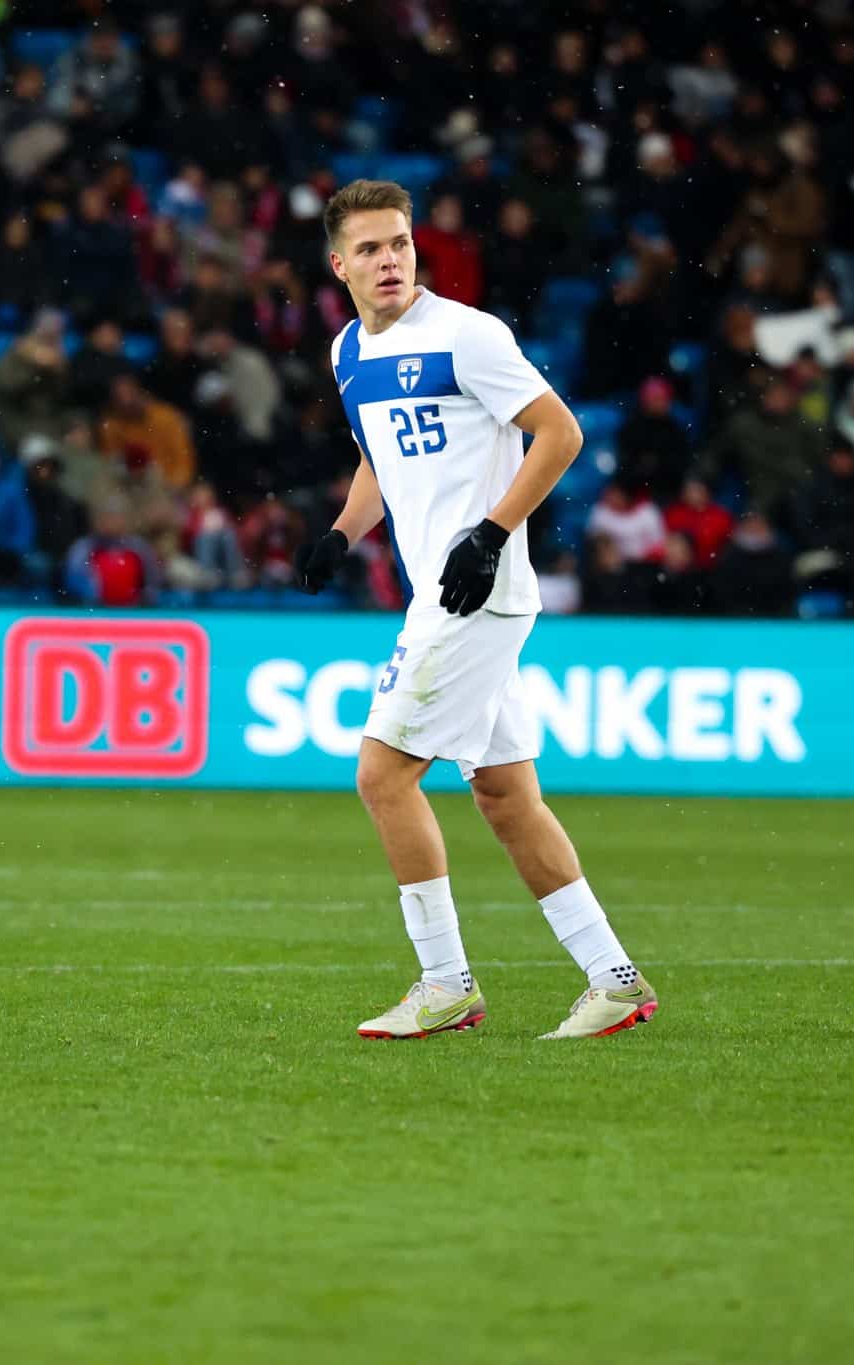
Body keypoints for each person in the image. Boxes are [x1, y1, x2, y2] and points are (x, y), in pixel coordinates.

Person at [291, 180, 656, 1043]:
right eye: (371, 249)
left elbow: (560, 433)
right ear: (338, 264)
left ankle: (444, 982)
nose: (390, 260)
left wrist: (491, 533)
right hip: (444, 592)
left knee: (381, 775)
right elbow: (382, 457)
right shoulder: (348, 351)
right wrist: (342, 535)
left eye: (401, 244)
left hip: (474, 594)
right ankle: (615, 979)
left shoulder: (467, 335)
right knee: (502, 793)